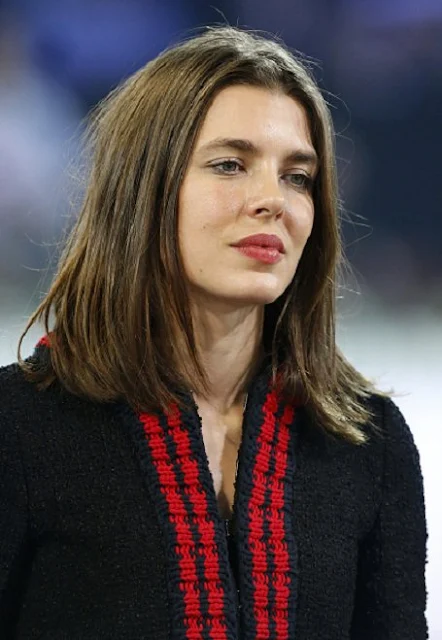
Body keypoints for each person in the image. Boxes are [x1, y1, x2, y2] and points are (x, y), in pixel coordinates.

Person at [0, 26, 427, 640]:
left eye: (298, 177)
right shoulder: (19, 428)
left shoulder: (367, 444)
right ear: (143, 189)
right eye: (231, 164)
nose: (271, 200)